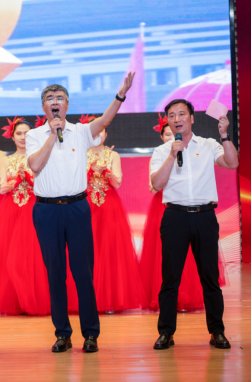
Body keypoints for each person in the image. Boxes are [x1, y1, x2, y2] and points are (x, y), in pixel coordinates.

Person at [26, 73, 135, 354]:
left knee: (83, 272)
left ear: (67, 104)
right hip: (46, 210)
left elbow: (105, 120)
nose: (55, 102)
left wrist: (120, 95)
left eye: (60, 98)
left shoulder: (81, 131)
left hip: (77, 208)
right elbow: (35, 165)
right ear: (43, 107)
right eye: (50, 99)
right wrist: (52, 135)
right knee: (55, 274)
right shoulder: (33, 135)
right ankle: (62, 333)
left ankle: (90, 333)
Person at [150, 99, 239, 350]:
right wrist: (172, 154)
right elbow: (157, 184)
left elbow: (232, 163)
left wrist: (224, 135)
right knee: (170, 278)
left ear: (192, 118)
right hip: (175, 217)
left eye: (182, 114)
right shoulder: (162, 151)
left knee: (210, 277)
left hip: (204, 217)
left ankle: (217, 331)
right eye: (171, 115)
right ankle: (166, 332)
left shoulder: (209, 145)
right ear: (168, 121)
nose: (177, 119)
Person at [140, 115, 215, 313]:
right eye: (166, 134)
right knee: (167, 262)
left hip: (191, 210)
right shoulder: (160, 154)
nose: (169, 137)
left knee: (194, 261)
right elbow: (153, 186)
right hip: (166, 208)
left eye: (170, 134)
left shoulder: (196, 149)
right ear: (162, 137)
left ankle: (188, 300)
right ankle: (166, 311)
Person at [84, 117, 146, 314]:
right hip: (85, 206)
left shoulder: (113, 155)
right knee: (85, 251)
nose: (97, 135)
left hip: (109, 207)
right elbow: (74, 183)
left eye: (101, 131)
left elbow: (117, 182)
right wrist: (90, 171)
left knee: (109, 251)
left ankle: (109, 299)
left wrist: (107, 172)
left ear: (106, 134)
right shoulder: (79, 154)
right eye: (94, 131)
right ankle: (86, 299)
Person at [0, 117, 50, 315]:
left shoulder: (40, 158)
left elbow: (46, 186)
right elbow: (1, 188)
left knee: (34, 257)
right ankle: (16, 301)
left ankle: (34, 300)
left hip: (33, 210)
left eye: (26, 134)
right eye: (18, 133)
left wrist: (27, 177)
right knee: (11, 258)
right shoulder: (5, 160)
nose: (22, 137)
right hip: (10, 212)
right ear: (12, 137)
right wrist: (16, 180)